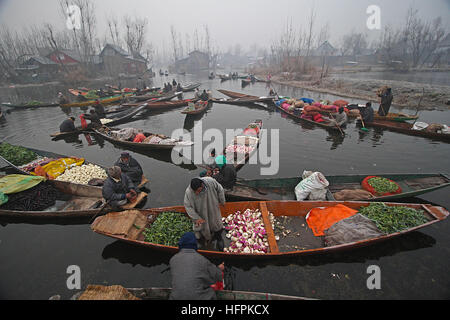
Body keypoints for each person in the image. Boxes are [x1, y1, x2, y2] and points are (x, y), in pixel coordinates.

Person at [169, 232, 224, 300]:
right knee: (210, 288)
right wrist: (219, 268)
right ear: (195, 245)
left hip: (175, 298)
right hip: (198, 298)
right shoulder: (202, 260)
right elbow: (218, 276)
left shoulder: (173, 259)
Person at [184, 177, 226, 250]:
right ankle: (202, 241)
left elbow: (220, 189)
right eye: (195, 191)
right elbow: (188, 206)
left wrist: (222, 200)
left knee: (216, 224)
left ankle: (219, 238)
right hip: (201, 213)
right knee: (202, 228)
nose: (196, 193)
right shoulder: (189, 192)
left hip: (212, 208)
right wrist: (196, 218)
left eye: (198, 190)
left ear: (202, 185)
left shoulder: (210, 182)